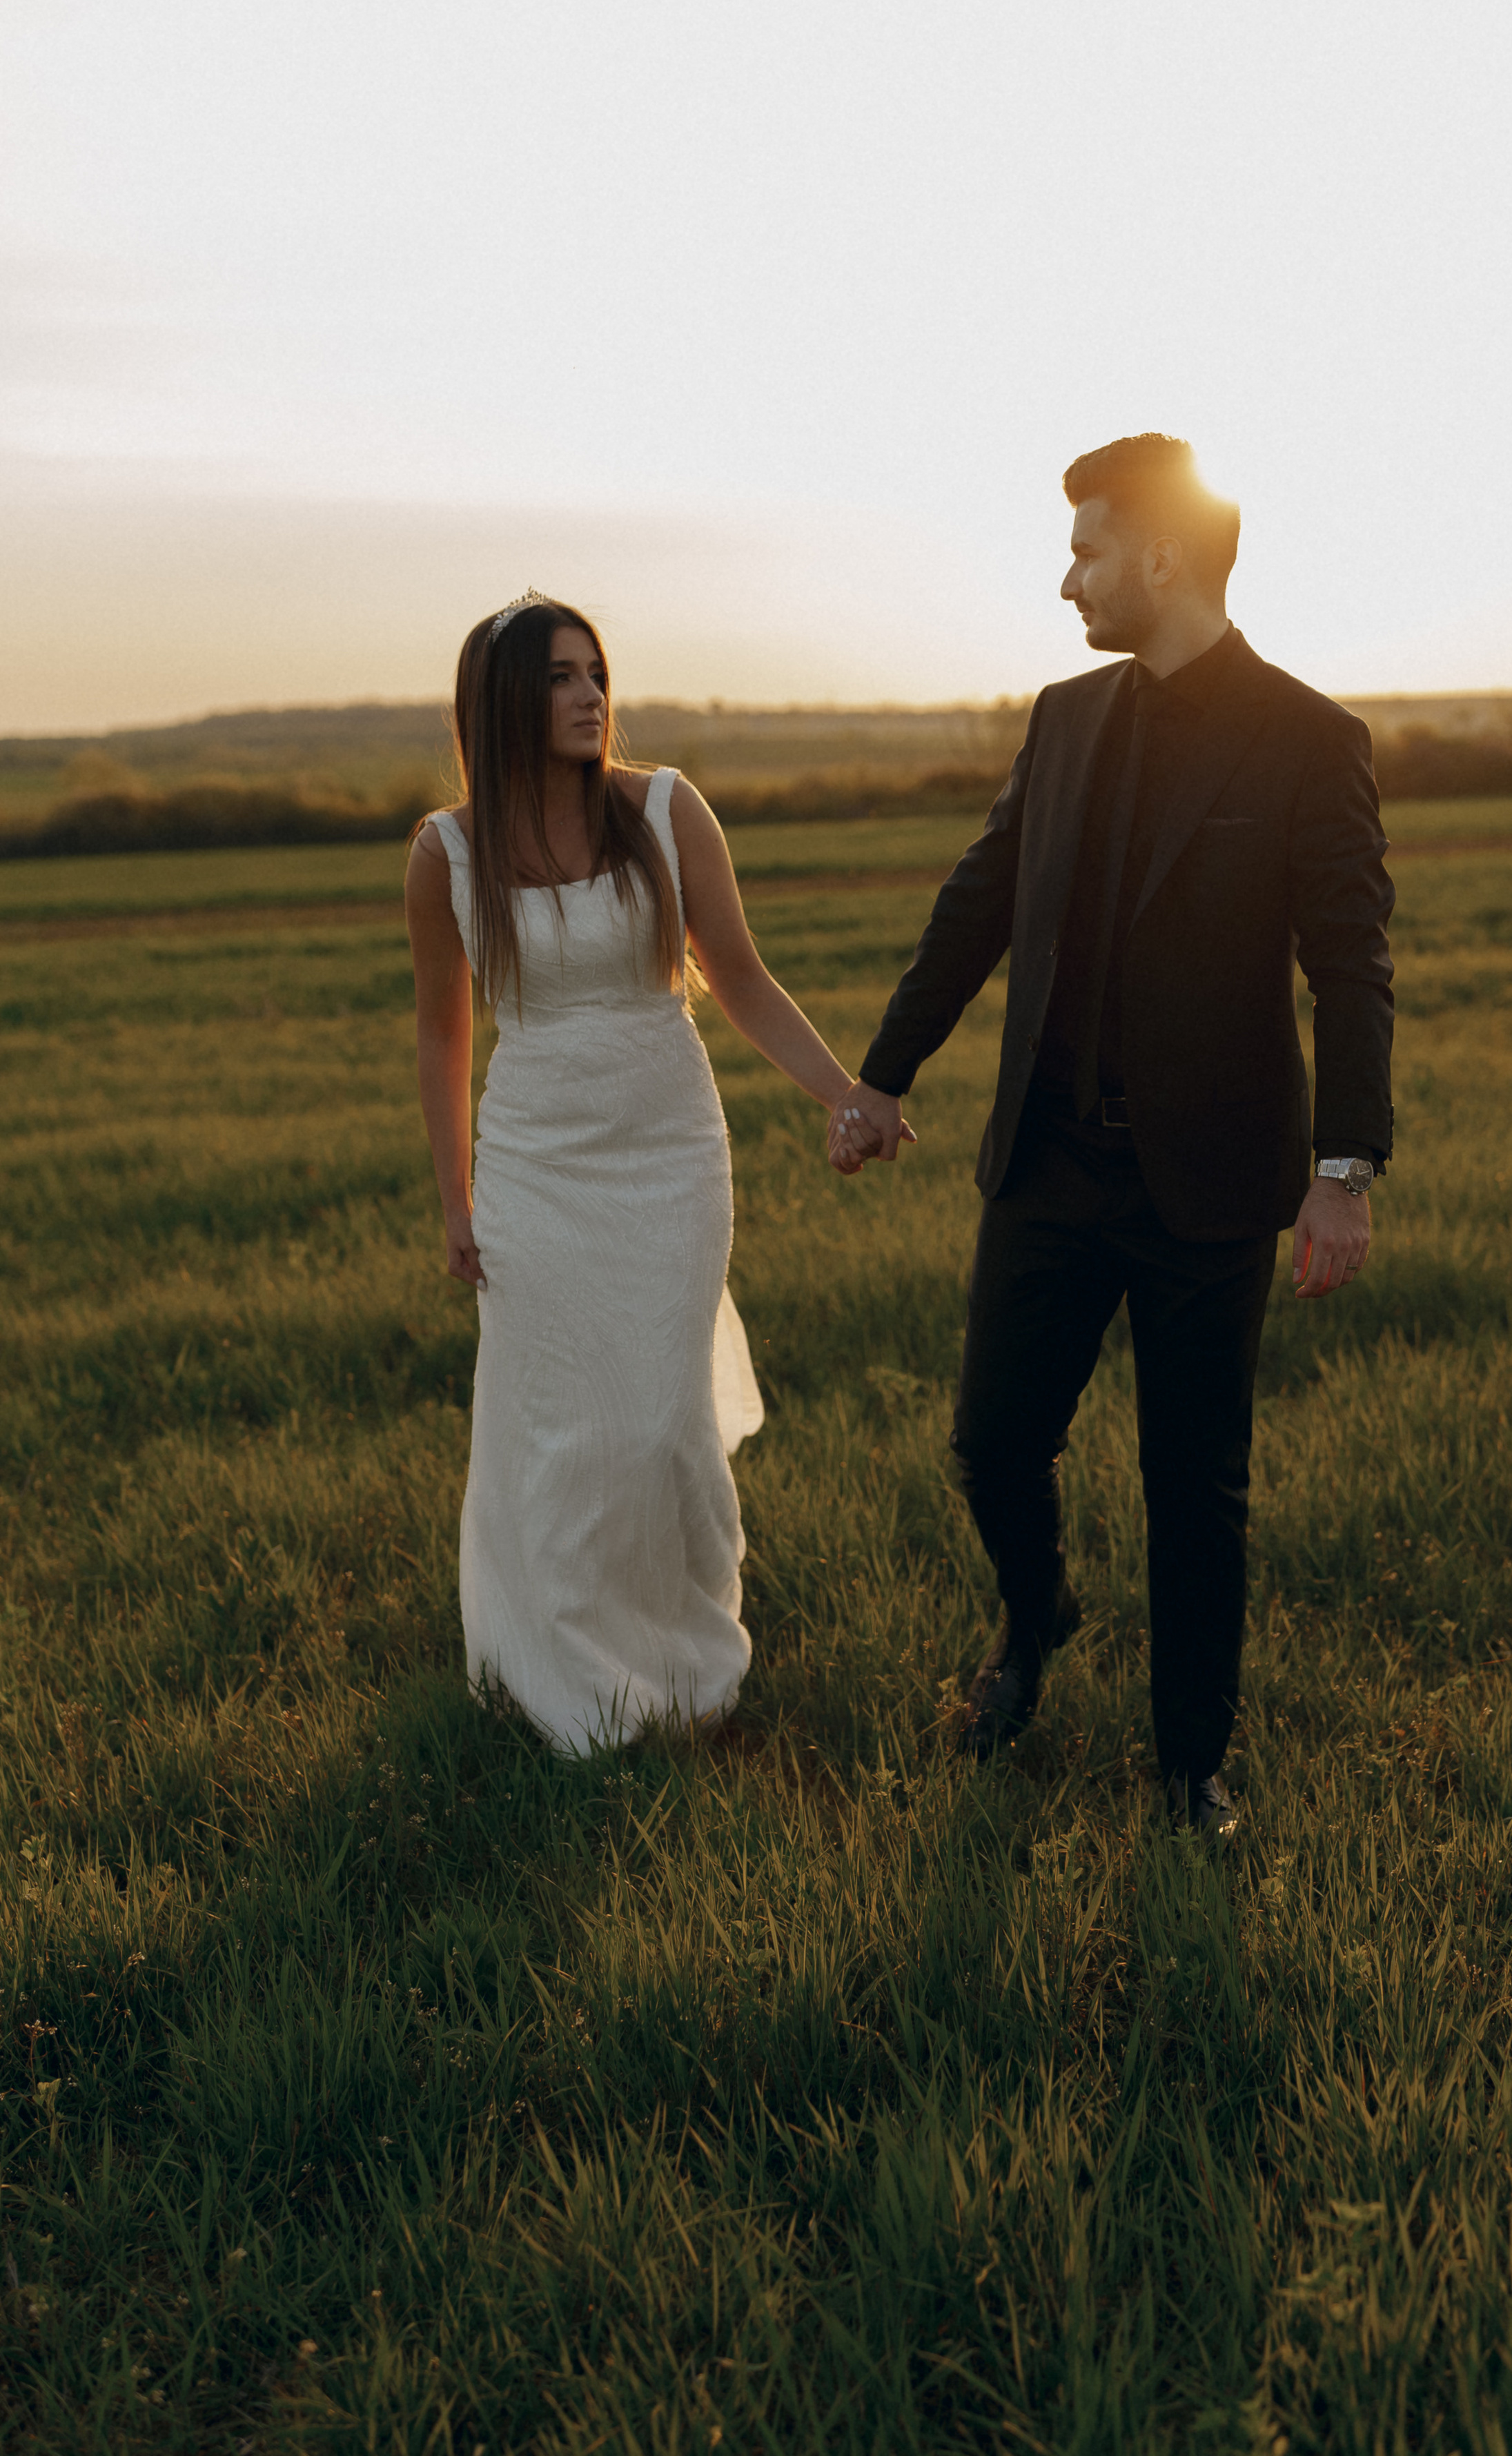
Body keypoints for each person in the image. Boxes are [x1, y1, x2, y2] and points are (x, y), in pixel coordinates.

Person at [829, 438, 1395, 1836]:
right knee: (991, 1445)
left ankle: (1191, 1767)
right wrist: (882, 1078)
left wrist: (1341, 1174)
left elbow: (1350, 968)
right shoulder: (1064, 718)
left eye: (1086, 550)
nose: (1068, 578)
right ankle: (1035, 1620)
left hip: (1212, 1183)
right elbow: (979, 901)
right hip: (1049, 1164)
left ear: (1159, 556)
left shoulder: (1310, 738)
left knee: (1195, 1488)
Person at [406, 589, 867, 1753]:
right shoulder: (446, 852)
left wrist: (843, 1092)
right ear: (504, 702)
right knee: (566, 1433)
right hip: (534, 1170)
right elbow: (443, 1036)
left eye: (597, 673)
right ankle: (581, 1686)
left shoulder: (665, 810)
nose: (590, 696)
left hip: (669, 1155)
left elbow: (741, 976)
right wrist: (457, 1202)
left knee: (664, 1430)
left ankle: (694, 1676)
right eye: (560, 678)